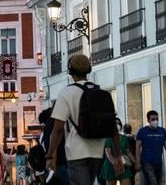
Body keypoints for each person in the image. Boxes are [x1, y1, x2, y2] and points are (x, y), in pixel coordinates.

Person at [47, 54, 124, 185]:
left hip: (76, 152)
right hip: (97, 151)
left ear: (71, 73)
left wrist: (50, 154)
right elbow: (112, 128)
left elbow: (58, 129)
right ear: (88, 70)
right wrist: (117, 156)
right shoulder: (100, 92)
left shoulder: (66, 93)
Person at [135, 110, 166, 185]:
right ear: (148, 120)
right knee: (153, 182)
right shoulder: (143, 131)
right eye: (153, 119)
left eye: (156, 119)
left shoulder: (162, 131)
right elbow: (137, 146)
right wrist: (137, 161)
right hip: (147, 162)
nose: (155, 121)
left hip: (158, 162)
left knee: (157, 182)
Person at [100, 118, 135, 185]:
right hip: (111, 167)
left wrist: (135, 162)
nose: (117, 125)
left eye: (118, 123)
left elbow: (128, 152)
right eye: (115, 123)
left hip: (124, 165)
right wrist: (115, 164)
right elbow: (108, 153)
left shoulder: (124, 138)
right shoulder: (108, 138)